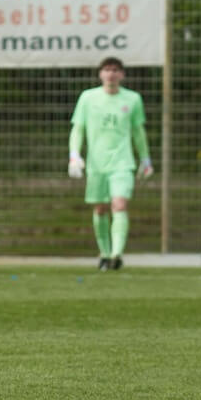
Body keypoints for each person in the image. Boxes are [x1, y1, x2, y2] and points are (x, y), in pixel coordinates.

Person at [67, 57, 153, 271]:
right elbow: (78, 128)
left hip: (122, 163)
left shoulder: (132, 99)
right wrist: (74, 155)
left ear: (122, 75)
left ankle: (117, 254)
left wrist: (145, 158)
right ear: (100, 74)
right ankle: (104, 253)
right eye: (107, 69)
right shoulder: (88, 98)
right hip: (96, 164)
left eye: (115, 70)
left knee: (120, 205)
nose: (111, 74)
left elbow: (138, 132)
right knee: (100, 209)